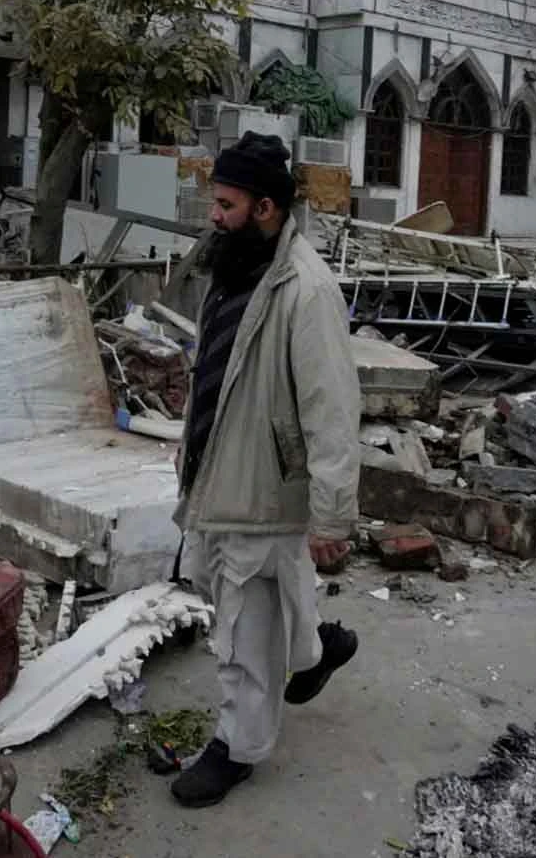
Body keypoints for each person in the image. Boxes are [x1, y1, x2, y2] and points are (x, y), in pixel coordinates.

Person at [170, 131, 362, 809]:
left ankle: (237, 747)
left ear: (266, 208)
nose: (213, 214)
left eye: (225, 202)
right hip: (224, 471)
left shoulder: (306, 291)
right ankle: (315, 653)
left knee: (242, 624)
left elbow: (332, 410)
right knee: (271, 591)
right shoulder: (233, 267)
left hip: (263, 485)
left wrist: (333, 516)